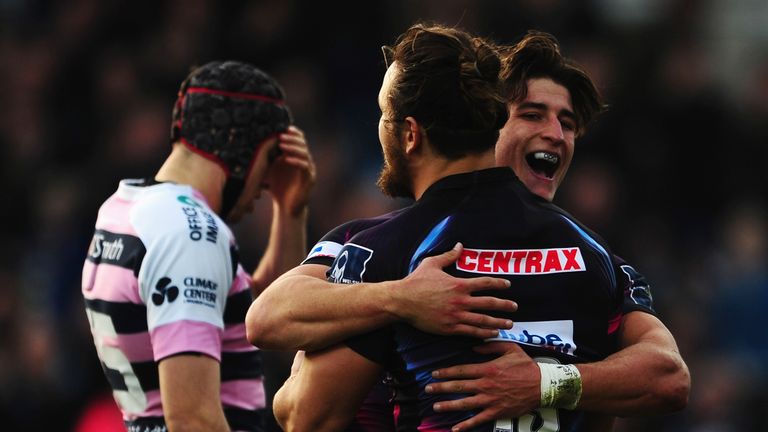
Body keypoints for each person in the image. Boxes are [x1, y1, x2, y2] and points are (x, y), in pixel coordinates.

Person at [249, 29, 690, 431]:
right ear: (495, 121)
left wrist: (543, 381)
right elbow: (270, 314)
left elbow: (304, 413)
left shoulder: (386, 251)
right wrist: (399, 299)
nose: (555, 134)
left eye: (568, 123)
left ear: (409, 134)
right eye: (533, 115)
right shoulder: (593, 258)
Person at [81, 60, 315, 432]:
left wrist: (290, 212)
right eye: (271, 157)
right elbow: (193, 419)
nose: (268, 181)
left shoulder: (122, 210)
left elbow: (250, 321)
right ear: (239, 145)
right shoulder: (191, 234)